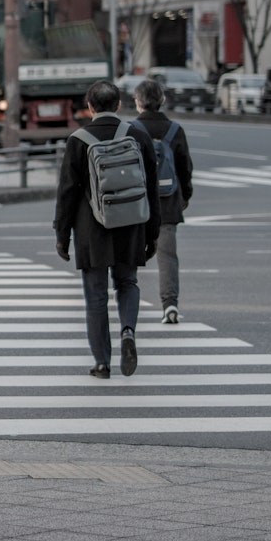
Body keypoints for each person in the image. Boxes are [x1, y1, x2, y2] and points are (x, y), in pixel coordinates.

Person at [54, 80, 161, 379]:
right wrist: (152, 233)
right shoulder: (137, 135)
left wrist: (62, 236)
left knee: (96, 295)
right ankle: (128, 329)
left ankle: (102, 362)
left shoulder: (78, 140)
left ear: (89, 107)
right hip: (131, 223)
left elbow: (67, 193)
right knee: (127, 282)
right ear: (118, 105)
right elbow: (150, 187)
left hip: (92, 229)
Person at [131, 78, 194, 325]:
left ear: (138, 103)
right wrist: (185, 196)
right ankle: (170, 304)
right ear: (162, 101)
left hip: (138, 204)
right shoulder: (175, 130)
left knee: (131, 254)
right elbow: (185, 168)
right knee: (167, 256)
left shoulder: (132, 129)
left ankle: (127, 302)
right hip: (168, 203)